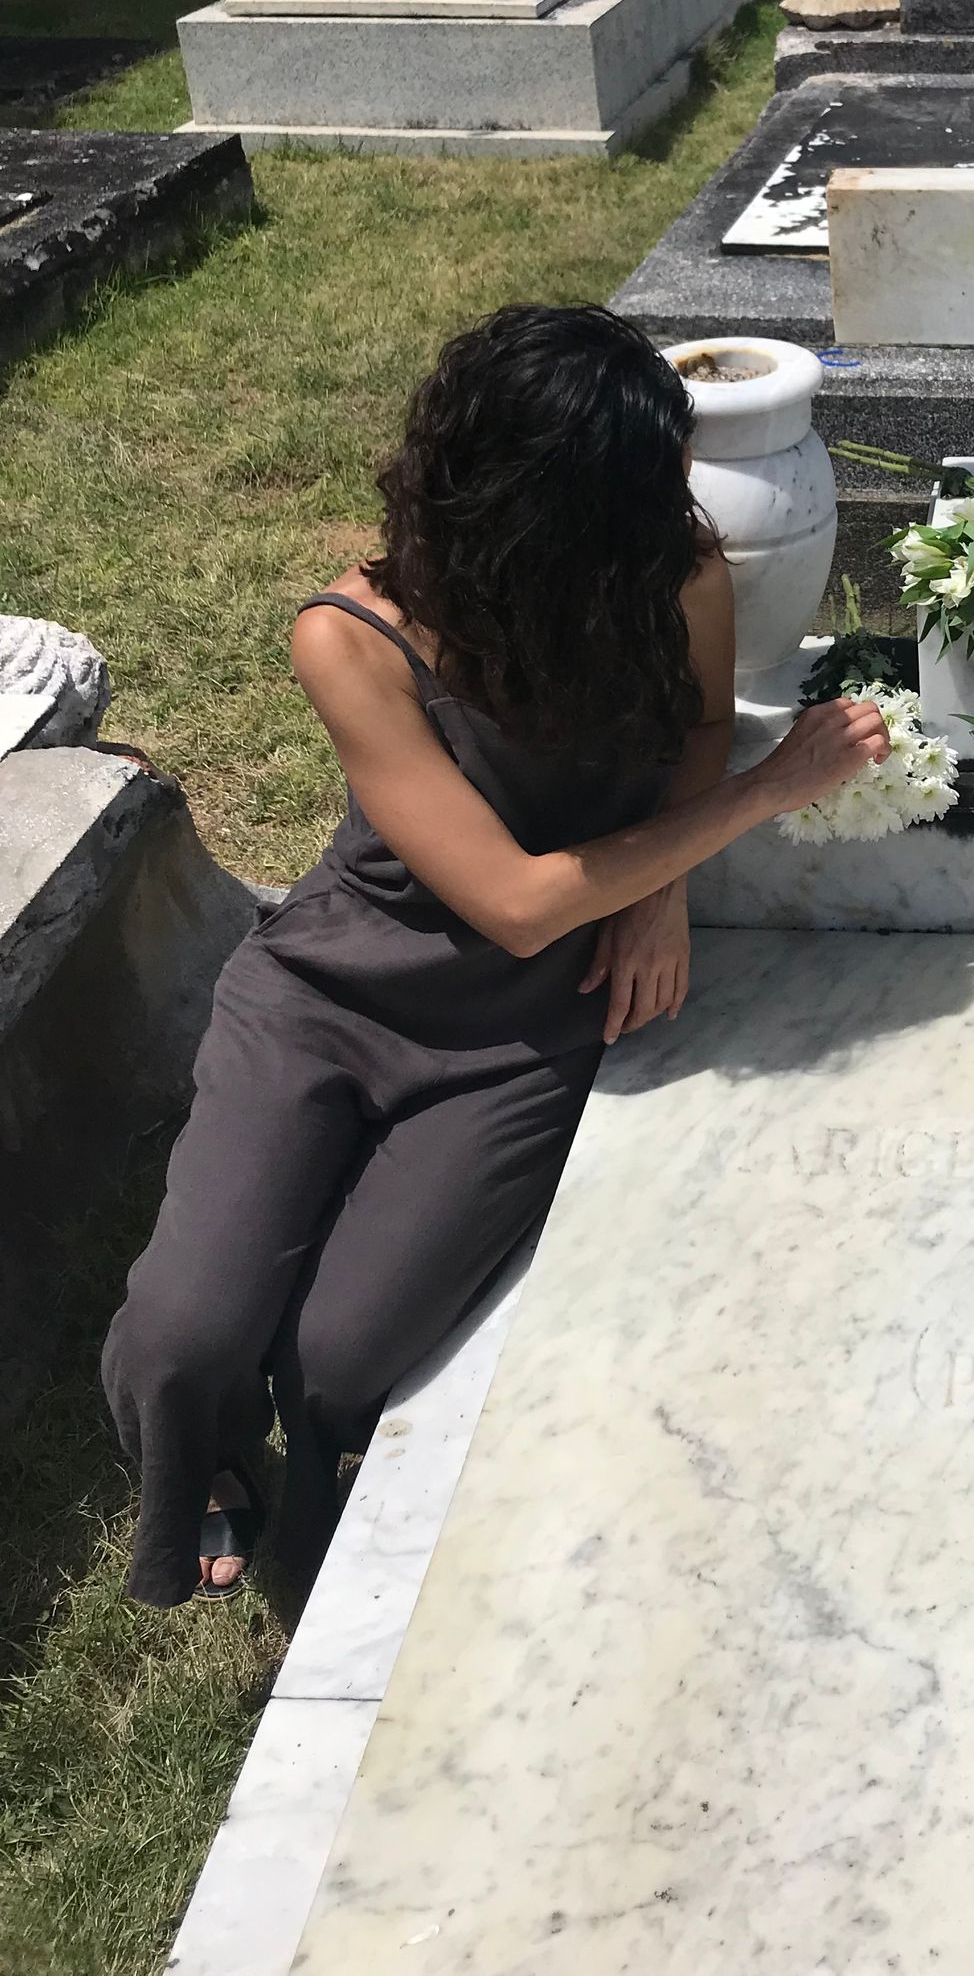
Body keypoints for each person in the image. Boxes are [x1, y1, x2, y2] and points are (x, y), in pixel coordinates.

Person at [102, 305, 888, 1606]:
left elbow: (695, 726)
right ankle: (209, 1472)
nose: (676, 502)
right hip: (333, 997)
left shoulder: (674, 565)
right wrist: (767, 791)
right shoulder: (352, 635)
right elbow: (519, 896)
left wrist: (664, 883)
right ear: (532, 511)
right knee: (189, 1337)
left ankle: (317, 1497)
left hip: (519, 1028)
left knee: (345, 1354)